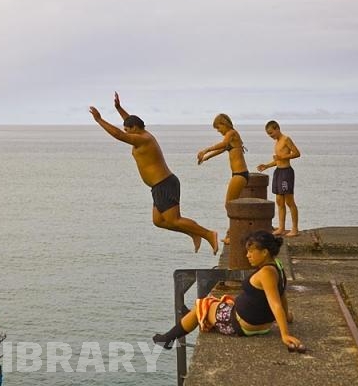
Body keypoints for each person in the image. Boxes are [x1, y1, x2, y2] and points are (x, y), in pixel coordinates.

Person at [89, 92, 218, 254]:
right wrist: (119, 108)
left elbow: (118, 135)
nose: (127, 132)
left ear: (135, 129)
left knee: (174, 220)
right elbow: (130, 121)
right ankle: (193, 232)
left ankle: (208, 234)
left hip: (164, 184)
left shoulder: (143, 139)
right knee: (158, 221)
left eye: (128, 129)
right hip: (159, 186)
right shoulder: (140, 133)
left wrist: (99, 120)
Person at [153, 230, 305, 352]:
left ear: (265, 252)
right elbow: (281, 293)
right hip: (259, 322)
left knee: (202, 305)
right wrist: (287, 316)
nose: (247, 255)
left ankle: (168, 338)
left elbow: (275, 303)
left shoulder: (266, 273)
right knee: (219, 301)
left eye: (251, 251)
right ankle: (185, 324)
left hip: (242, 325)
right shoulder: (277, 265)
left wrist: (285, 334)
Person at [197, 113, 249, 244]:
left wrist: (205, 150)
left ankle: (233, 234)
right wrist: (207, 157)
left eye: (218, 128)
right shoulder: (231, 136)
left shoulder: (231, 132)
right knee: (233, 205)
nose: (219, 131)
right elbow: (224, 148)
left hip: (239, 175)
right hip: (239, 175)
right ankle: (234, 232)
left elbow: (224, 143)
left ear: (224, 124)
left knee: (229, 205)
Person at [257, 120, 301, 237]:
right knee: (279, 201)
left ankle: (295, 229)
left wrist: (283, 156)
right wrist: (266, 165)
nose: (270, 136)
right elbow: (278, 160)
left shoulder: (286, 139)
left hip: (287, 172)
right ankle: (281, 228)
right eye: (268, 134)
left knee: (289, 201)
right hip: (278, 172)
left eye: (271, 133)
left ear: (277, 129)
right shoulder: (276, 142)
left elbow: (297, 153)